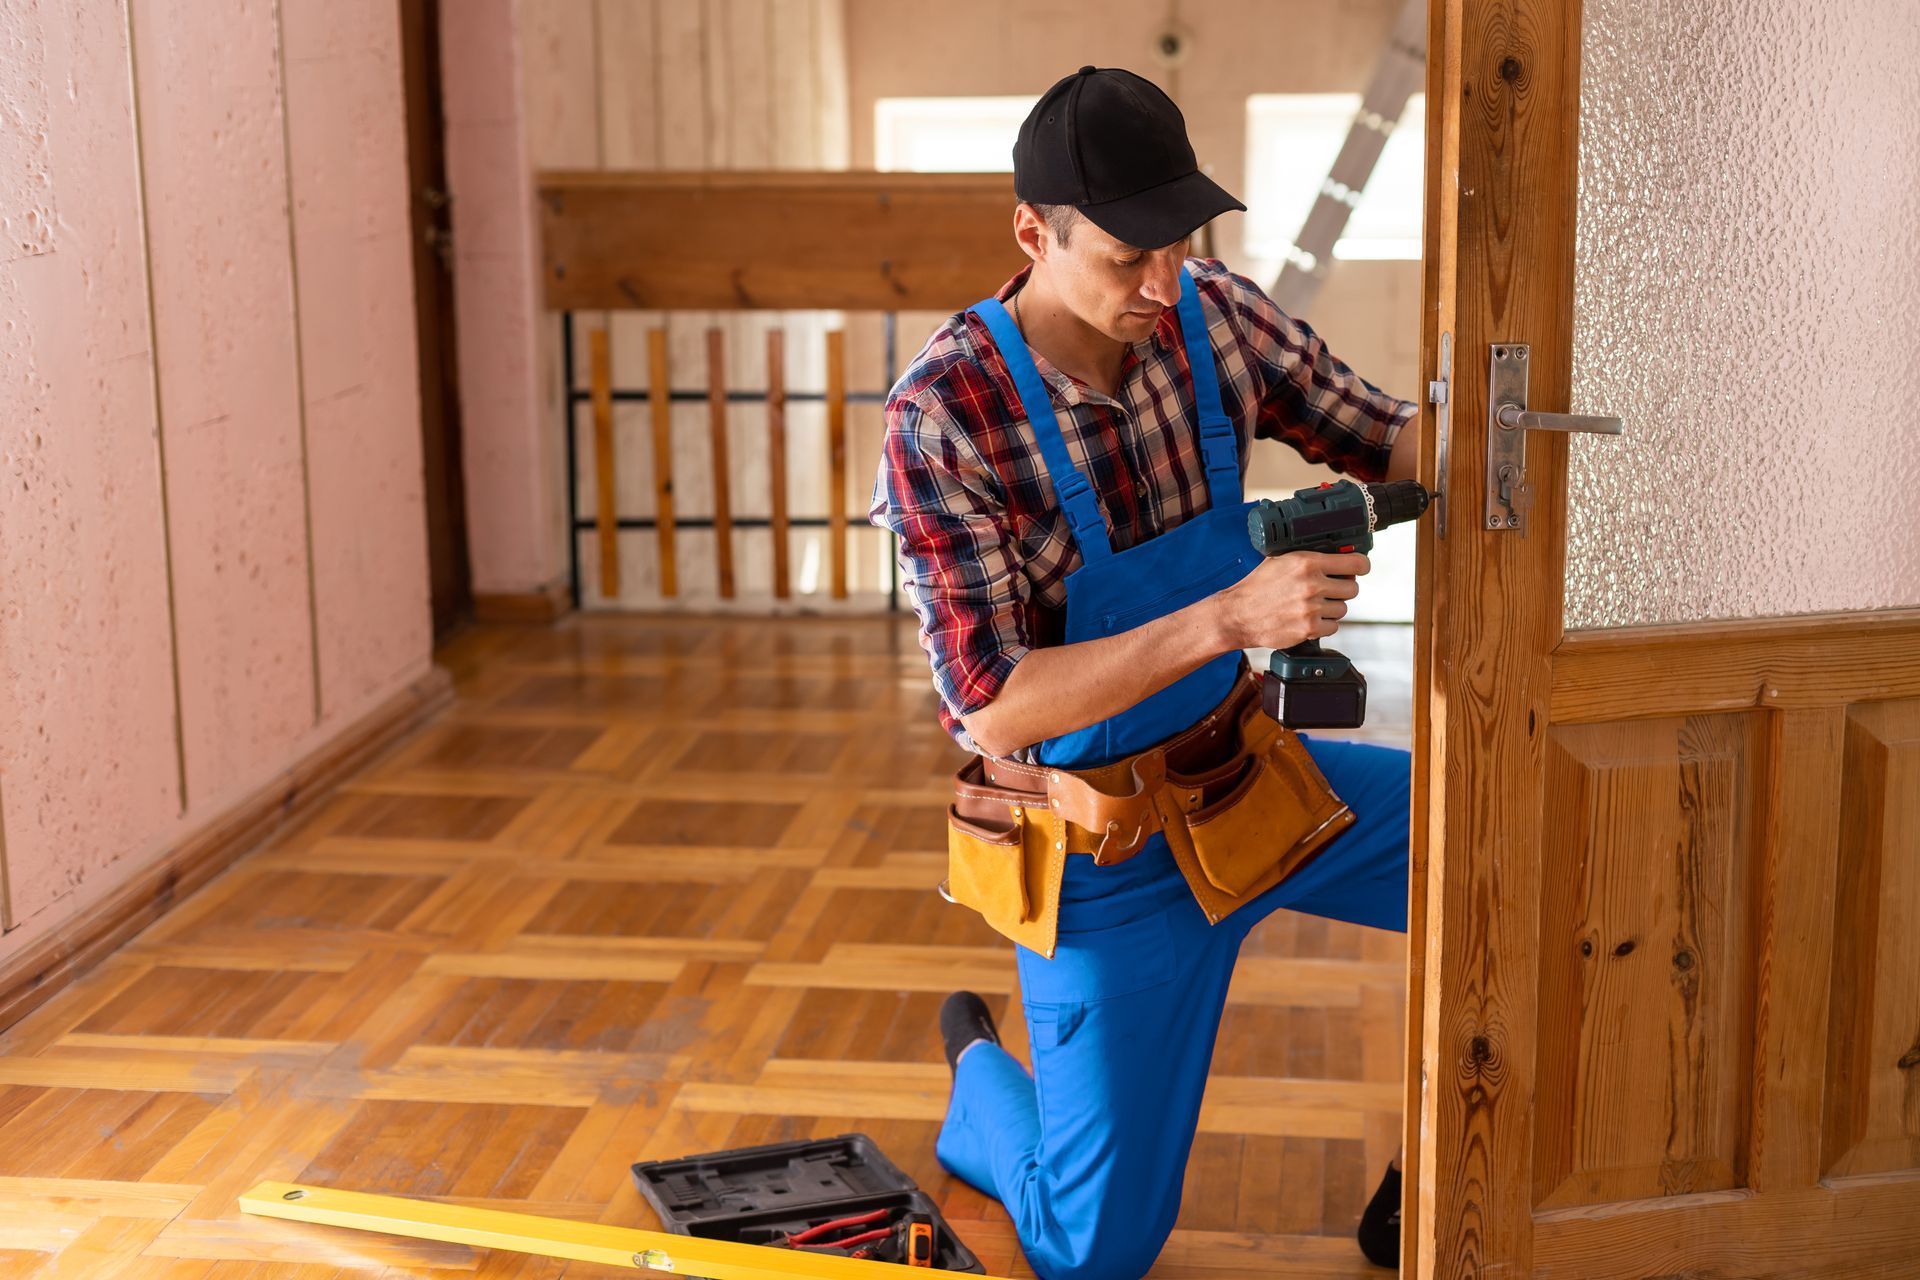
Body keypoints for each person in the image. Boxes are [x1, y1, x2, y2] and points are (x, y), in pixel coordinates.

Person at [868, 65, 1418, 1280]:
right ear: (1034, 232)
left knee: (1510, 853)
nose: (1164, 284)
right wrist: (1229, 615)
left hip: (1259, 785)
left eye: (1182, 243)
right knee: (1093, 1252)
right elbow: (993, 701)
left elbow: (1389, 435)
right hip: (1101, 854)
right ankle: (979, 1082)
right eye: (1129, 256)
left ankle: (1443, 1165)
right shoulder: (942, 417)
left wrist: (1504, 416)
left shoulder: (1212, 312)